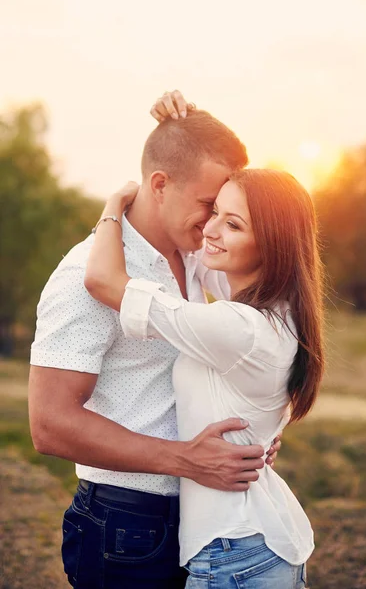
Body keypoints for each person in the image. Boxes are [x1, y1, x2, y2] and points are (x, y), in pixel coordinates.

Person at [28, 91, 281, 589]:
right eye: (208, 205)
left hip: (194, 513)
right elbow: (49, 424)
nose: (213, 224)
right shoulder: (86, 272)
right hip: (124, 523)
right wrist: (185, 459)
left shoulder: (192, 256)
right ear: (160, 185)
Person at [85, 162, 324, 588]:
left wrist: (113, 207)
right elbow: (197, 245)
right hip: (257, 544)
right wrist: (182, 120)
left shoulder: (239, 327)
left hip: (233, 554)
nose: (210, 230)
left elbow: (103, 280)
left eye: (232, 224)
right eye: (213, 210)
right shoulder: (281, 308)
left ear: (271, 245)